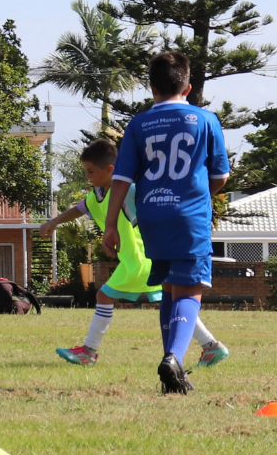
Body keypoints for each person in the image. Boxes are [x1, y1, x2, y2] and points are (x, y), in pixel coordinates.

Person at [38, 137, 228, 369]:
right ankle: (211, 346)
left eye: (90, 172)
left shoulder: (129, 193)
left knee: (105, 297)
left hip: (142, 259)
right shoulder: (98, 192)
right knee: (175, 302)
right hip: (136, 260)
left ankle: (89, 351)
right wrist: (55, 222)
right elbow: (80, 209)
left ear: (110, 170)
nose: (87, 177)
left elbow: (152, 218)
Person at [102, 51, 230, 395]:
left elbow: (122, 179)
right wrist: (196, 192)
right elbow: (220, 176)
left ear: (151, 87)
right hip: (189, 216)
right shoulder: (206, 120)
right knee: (190, 290)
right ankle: (173, 357)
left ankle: (174, 374)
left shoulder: (139, 124)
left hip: (152, 216)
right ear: (187, 87)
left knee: (171, 290)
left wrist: (111, 224)